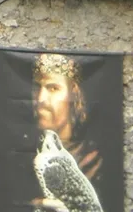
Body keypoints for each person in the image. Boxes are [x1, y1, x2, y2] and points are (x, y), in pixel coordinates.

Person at [34, 53, 101, 184]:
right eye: (37, 87)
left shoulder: (92, 163)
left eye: (53, 88)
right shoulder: (22, 159)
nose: (40, 99)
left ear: (74, 95)